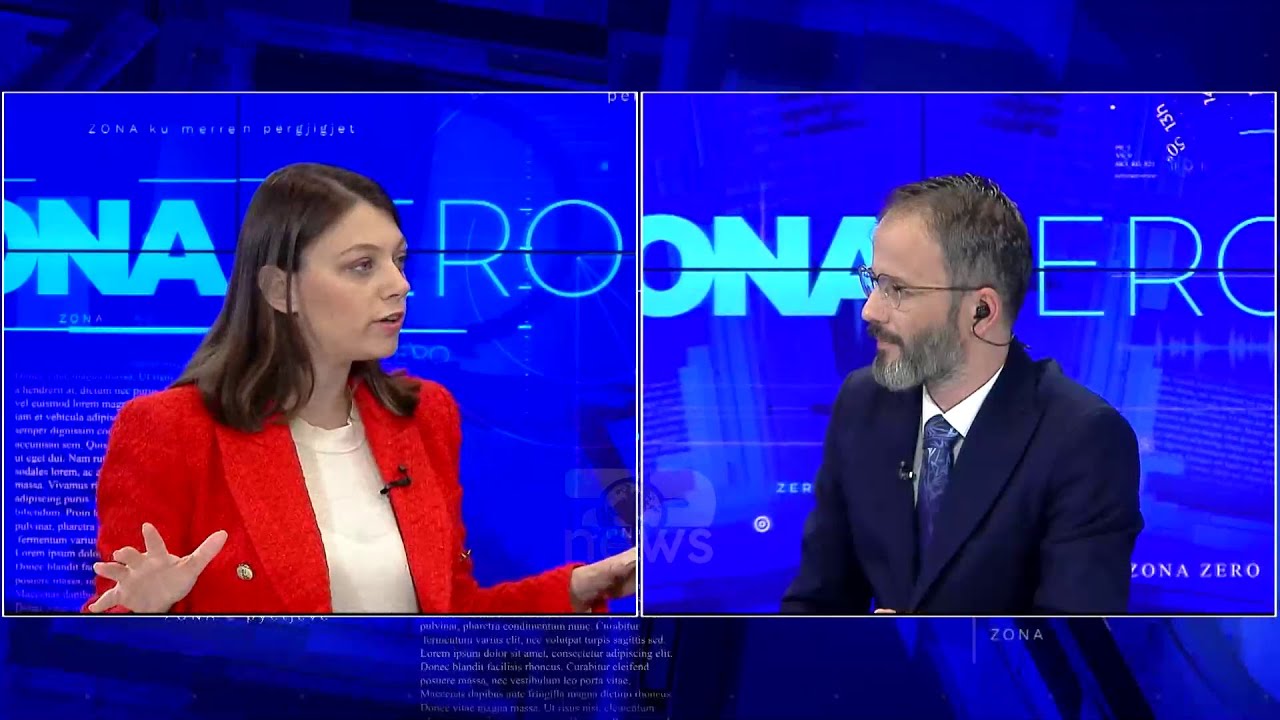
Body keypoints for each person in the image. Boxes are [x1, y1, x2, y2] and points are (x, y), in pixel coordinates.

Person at [85, 162, 636, 614]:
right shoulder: (170, 430)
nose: (399, 285)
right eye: (362, 266)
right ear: (280, 289)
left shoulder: (425, 415)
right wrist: (144, 612)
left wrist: (572, 590)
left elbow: (448, 610)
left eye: (398, 260)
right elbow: (104, 642)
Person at [781, 173, 1142, 616]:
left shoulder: (1084, 440)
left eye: (898, 289)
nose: (870, 310)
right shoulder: (862, 403)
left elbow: (1071, 641)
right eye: (873, 282)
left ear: (981, 311)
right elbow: (816, 604)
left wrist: (921, 645)